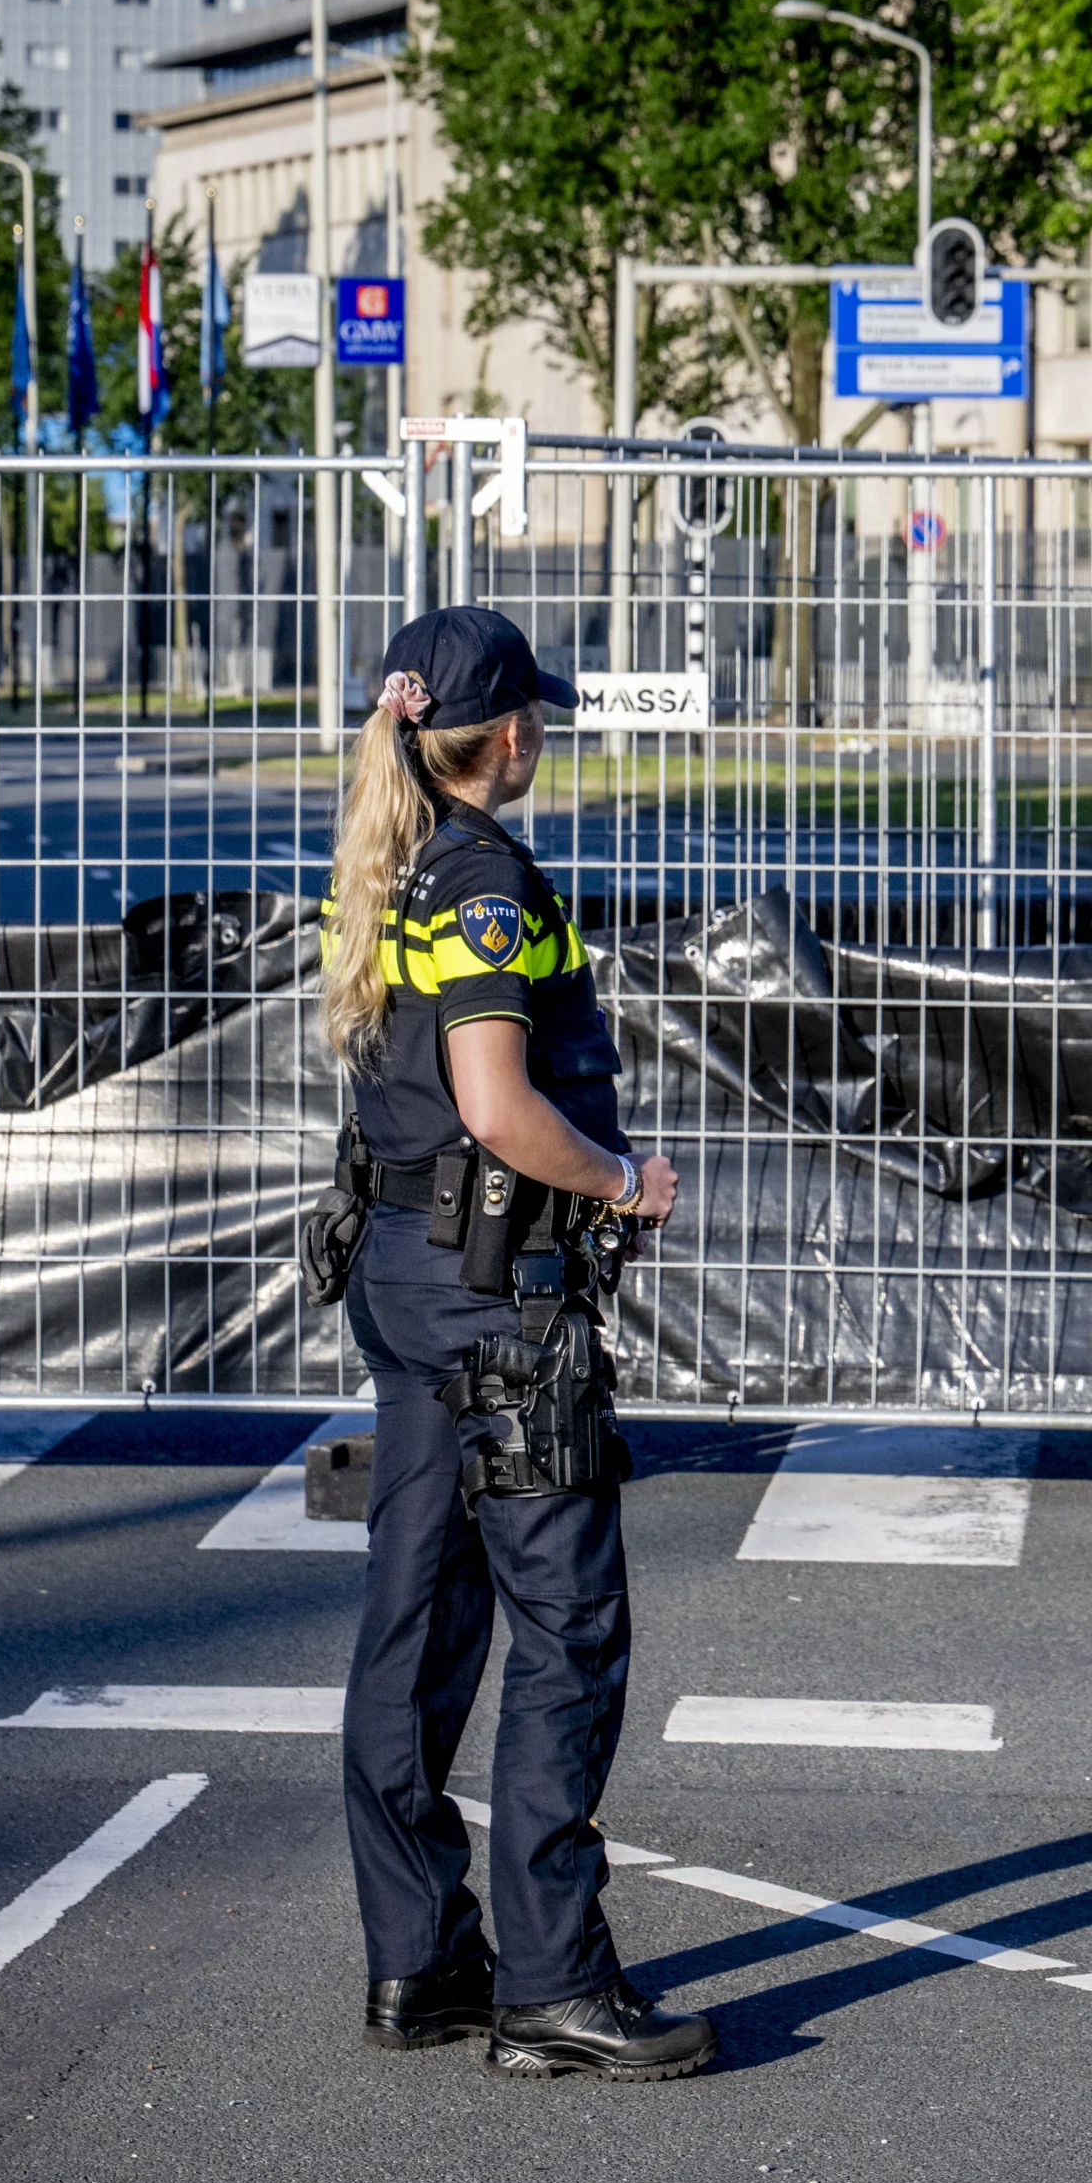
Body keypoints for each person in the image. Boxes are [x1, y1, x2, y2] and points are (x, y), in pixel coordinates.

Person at [318, 604, 710, 2082]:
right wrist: (624, 1181)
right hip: (497, 1303)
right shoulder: (487, 881)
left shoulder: (405, 863)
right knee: (568, 1627)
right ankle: (549, 1983)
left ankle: (420, 1960)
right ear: (516, 734)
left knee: (416, 1618)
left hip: (415, 1285)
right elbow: (494, 1101)